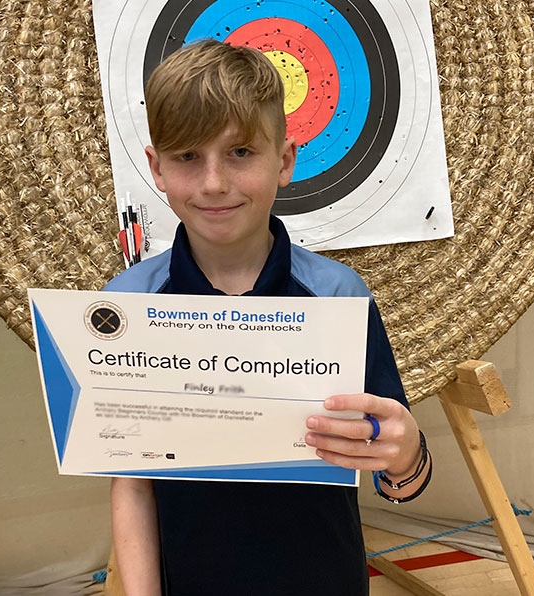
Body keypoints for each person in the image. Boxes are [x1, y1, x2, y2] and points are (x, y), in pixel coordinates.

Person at [105, 39, 432, 596]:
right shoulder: (129, 305)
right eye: (188, 156)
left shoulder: (338, 296)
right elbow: (132, 484)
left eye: (240, 153)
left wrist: (405, 457)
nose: (213, 183)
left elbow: (397, 472)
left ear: (283, 161)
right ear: (157, 168)